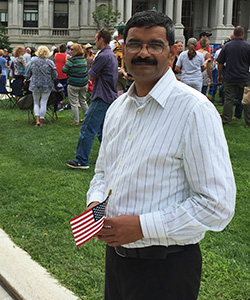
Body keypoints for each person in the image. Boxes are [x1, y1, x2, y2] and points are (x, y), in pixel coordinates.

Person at [85, 11, 236, 300]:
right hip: (116, 260)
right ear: (123, 50)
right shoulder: (117, 108)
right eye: (134, 44)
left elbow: (217, 205)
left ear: (171, 53)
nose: (143, 53)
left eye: (154, 45)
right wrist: (96, 206)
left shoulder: (194, 111)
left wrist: (142, 227)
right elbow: (104, 173)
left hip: (166, 269)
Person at [66, 28, 118, 169]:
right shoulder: (111, 55)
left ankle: (81, 160)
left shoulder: (103, 56)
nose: (94, 42)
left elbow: (91, 75)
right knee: (102, 131)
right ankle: (109, 158)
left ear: (102, 39)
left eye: (96, 39)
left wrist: (94, 70)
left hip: (101, 96)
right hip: (109, 96)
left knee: (88, 128)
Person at [217, 26, 250, 125]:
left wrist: (219, 75)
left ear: (234, 33)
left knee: (228, 99)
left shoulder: (227, 46)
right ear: (242, 34)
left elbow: (220, 63)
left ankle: (226, 120)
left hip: (230, 76)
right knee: (247, 99)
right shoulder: (247, 46)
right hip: (244, 76)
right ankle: (248, 120)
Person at [25, 46, 57, 127]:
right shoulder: (50, 62)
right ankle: (42, 121)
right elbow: (55, 76)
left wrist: (27, 79)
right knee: (43, 102)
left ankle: (37, 120)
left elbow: (28, 74)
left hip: (35, 84)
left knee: (36, 102)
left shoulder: (32, 61)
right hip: (47, 85)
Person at [62, 43, 88, 125]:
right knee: (83, 101)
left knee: (74, 103)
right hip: (83, 84)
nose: (70, 50)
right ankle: (87, 118)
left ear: (76, 50)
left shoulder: (71, 60)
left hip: (73, 84)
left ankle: (76, 121)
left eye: (72, 49)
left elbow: (64, 70)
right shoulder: (83, 59)